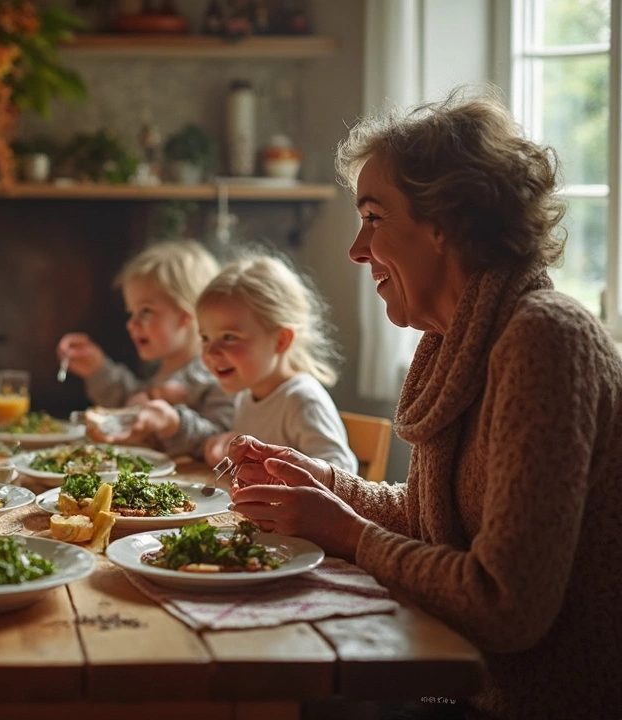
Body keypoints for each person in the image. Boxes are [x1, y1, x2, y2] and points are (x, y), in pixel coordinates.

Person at [226, 90, 622, 719]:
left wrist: (347, 533)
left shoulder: (546, 338)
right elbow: (432, 517)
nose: (357, 250)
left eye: (374, 218)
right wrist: (318, 481)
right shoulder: (456, 339)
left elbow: (505, 604)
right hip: (461, 677)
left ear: (448, 222)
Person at [57, 240, 234, 457]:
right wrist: (97, 368)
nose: (131, 324)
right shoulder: (162, 370)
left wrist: (174, 423)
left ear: (186, 316)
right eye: (131, 312)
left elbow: (222, 441)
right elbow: (129, 404)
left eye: (146, 311)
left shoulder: (217, 375)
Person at [197, 255, 357, 473]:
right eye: (205, 337)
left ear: (281, 340)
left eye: (229, 337)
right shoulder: (245, 396)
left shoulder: (301, 400)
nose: (210, 352)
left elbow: (342, 472)